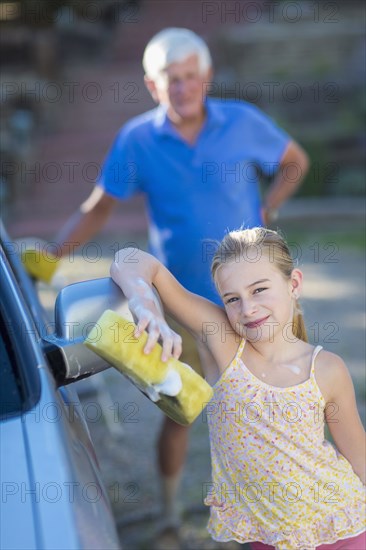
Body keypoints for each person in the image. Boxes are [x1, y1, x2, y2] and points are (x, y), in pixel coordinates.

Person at [54, 28, 309, 534]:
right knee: (181, 411)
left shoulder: (241, 121)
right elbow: (99, 207)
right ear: (153, 85)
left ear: (206, 77)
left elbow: (294, 161)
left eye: (192, 77)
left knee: (270, 408)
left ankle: (277, 511)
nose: (183, 88)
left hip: (251, 302)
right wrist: (51, 256)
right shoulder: (138, 139)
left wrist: (270, 205)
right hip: (181, 303)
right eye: (172, 80)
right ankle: (171, 514)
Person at [109, 227, 366, 550]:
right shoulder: (226, 345)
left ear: (294, 284)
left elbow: (361, 461)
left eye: (259, 290)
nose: (247, 309)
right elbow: (129, 259)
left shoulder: (327, 369)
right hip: (265, 539)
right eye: (233, 299)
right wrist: (149, 311)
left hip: (342, 530)